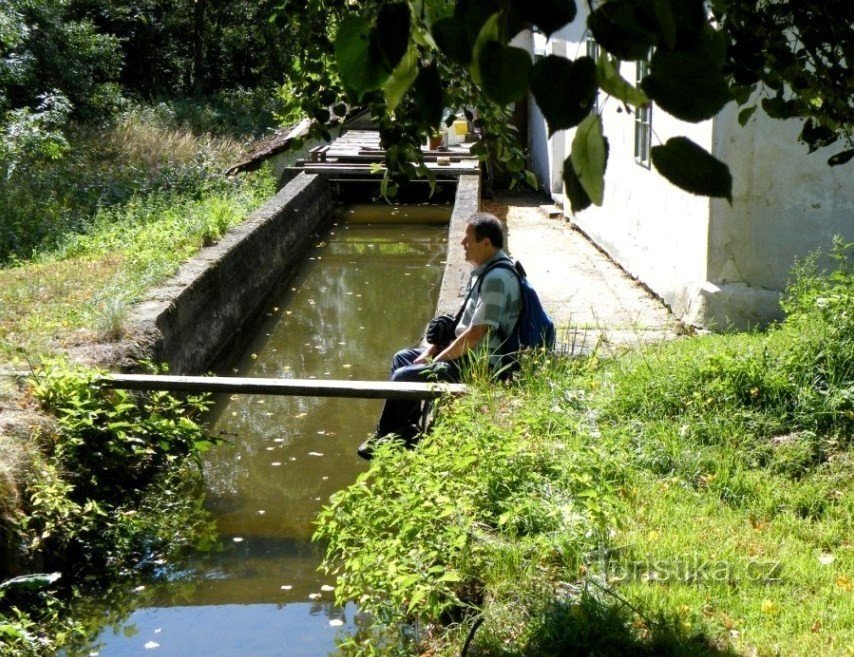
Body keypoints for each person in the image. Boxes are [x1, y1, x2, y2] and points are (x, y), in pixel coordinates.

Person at [358, 212, 522, 459]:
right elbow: (464, 326)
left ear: (486, 243)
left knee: (404, 377)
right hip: (467, 355)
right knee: (402, 358)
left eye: (468, 239)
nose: (462, 244)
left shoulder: (498, 279)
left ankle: (383, 438)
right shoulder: (486, 272)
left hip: (478, 364)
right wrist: (429, 351)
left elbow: (475, 335)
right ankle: (406, 431)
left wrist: (436, 361)